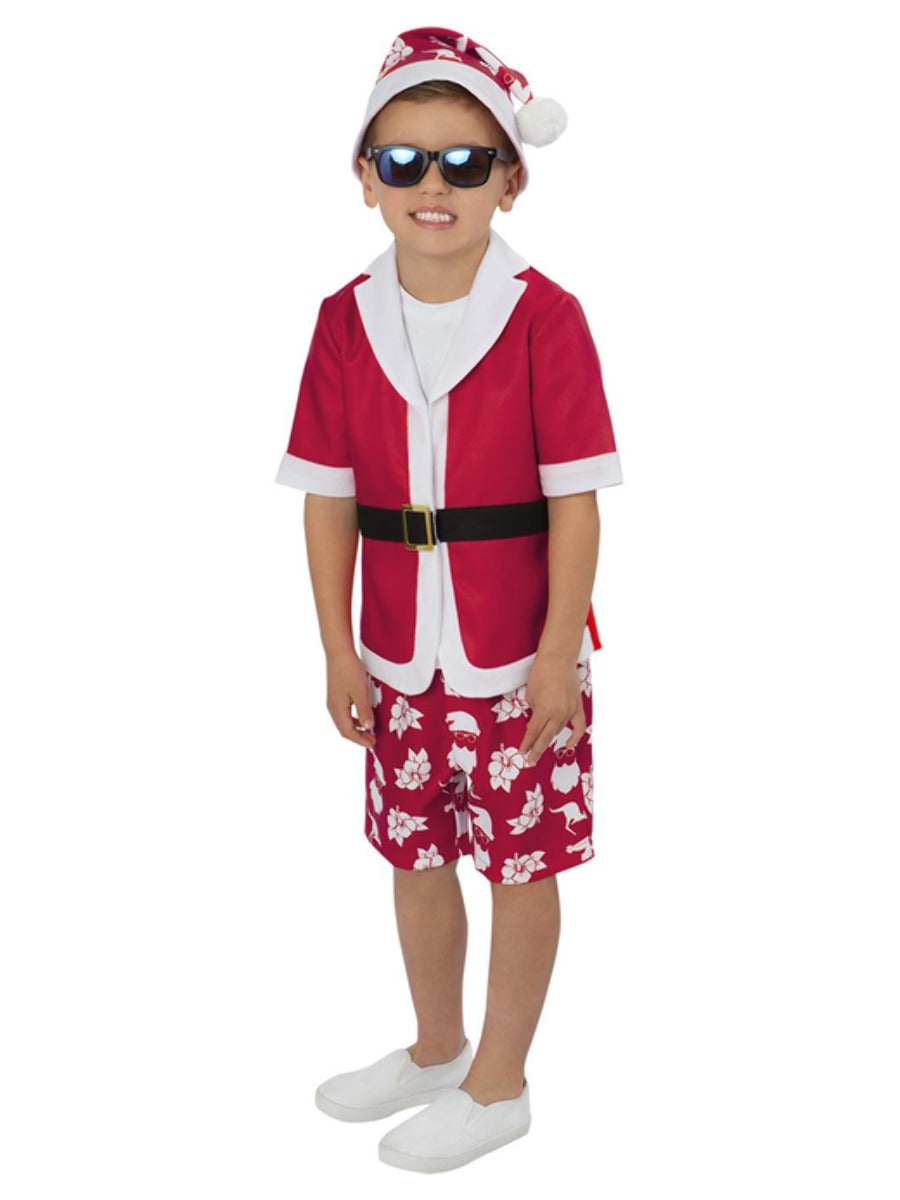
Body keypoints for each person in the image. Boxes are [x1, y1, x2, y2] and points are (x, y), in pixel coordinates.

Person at [274, 26, 623, 1173]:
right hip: (395, 651)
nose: (436, 185)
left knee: (522, 864)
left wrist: (556, 653)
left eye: (467, 162)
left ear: (510, 179)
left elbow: (576, 504)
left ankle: (499, 1084)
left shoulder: (546, 316)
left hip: (516, 652)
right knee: (414, 851)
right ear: (366, 177)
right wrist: (338, 649)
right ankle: (436, 1049)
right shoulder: (344, 319)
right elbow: (327, 500)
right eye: (406, 160)